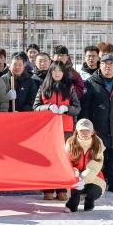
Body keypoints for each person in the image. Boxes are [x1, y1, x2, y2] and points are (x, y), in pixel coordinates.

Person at [80, 54, 113, 194]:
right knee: (96, 158)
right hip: (97, 127)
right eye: (104, 63)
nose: (107, 67)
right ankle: (94, 182)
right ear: (100, 65)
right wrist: (86, 126)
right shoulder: (91, 82)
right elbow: (85, 106)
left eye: (111, 64)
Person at [34, 60, 81, 201]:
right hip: (47, 129)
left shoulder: (70, 88)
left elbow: (77, 108)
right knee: (49, 159)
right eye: (54, 70)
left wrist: (67, 109)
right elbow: (35, 107)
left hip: (66, 128)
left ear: (64, 73)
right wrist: (47, 107)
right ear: (50, 72)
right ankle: (48, 189)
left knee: (63, 158)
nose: (57, 73)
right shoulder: (44, 87)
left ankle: (61, 189)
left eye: (60, 71)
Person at [64, 119, 106, 212]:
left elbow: (95, 165)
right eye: (81, 130)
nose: (84, 133)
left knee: (94, 190)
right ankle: (72, 205)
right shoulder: (70, 142)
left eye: (87, 130)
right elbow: (66, 162)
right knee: (76, 184)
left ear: (92, 132)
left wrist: (83, 179)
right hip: (75, 174)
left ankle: (89, 201)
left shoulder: (98, 143)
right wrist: (76, 174)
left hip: (94, 176)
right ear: (77, 132)